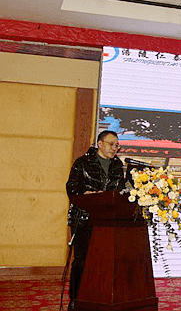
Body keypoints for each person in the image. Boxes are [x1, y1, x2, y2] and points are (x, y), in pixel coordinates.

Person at [65, 130, 125, 310]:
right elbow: (71, 187)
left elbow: (119, 191)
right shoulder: (82, 162)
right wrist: (87, 194)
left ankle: (98, 298)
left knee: (104, 262)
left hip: (108, 220)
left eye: (117, 145)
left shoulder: (117, 165)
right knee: (82, 261)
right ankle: (75, 300)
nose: (114, 148)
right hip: (83, 218)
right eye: (111, 144)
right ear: (99, 144)